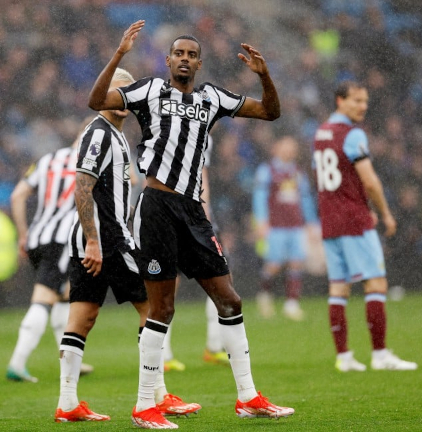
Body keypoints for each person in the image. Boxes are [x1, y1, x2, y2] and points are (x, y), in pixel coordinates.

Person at [89, 20, 294, 428]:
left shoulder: (211, 98)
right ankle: (144, 405)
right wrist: (119, 54)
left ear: (199, 64)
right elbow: (96, 100)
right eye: (178, 54)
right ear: (168, 61)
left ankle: (248, 397)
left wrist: (264, 75)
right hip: (157, 207)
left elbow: (270, 112)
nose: (184, 59)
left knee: (230, 301)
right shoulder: (149, 90)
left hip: (194, 212)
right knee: (162, 307)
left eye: (192, 55)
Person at [55, 68, 201, 423]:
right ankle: (155, 397)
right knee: (155, 308)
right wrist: (94, 239)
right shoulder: (99, 133)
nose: (122, 101)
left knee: (83, 317)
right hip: (107, 241)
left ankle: (67, 403)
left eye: (127, 94)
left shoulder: (115, 134)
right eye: (117, 93)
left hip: (98, 240)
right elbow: (82, 185)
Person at [312, 81, 417, 372]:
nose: (363, 106)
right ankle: (380, 355)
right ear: (340, 100)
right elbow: (369, 180)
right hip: (353, 220)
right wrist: (385, 213)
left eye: (365, 101)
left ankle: (344, 357)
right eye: (356, 100)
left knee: (338, 287)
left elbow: (326, 177)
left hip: (330, 219)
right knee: (376, 282)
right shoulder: (352, 134)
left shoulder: (320, 133)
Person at [6, 122, 93, 383]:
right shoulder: (92, 163)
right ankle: (17, 363)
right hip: (62, 241)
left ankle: (69, 359)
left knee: (63, 294)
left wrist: (23, 233)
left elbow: (17, 195)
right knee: (44, 296)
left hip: (37, 237)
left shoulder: (48, 159)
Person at [163, 136, 229, 373]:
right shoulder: (168, 127)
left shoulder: (201, 133)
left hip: (188, 213)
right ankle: (164, 354)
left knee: (219, 275)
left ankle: (214, 345)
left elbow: (202, 175)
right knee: (169, 282)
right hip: (174, 214)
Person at [253, 135, 319, 321]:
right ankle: (264, 296)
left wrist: (311, 222)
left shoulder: (298, 172)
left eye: (292, 147)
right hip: (276, 226)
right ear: (276, 148)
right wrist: (261, 220)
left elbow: (305, 198)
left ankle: (292, 304)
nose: (289, 150)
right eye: (286, 146)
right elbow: (259, 196)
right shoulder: (266, 170)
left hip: (295, 225)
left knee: (296, 262)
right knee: (274, 265)